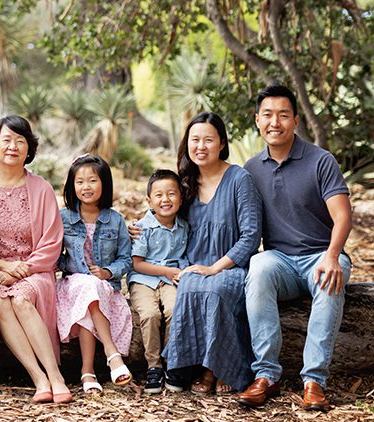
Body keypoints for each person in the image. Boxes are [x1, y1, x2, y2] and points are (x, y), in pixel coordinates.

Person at [239, 84, 352, 411]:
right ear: (257, 120)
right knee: (258, 268)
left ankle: (314, 381)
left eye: (283, 115)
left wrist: (332, 256)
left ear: (296, 120)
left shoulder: (320, 161)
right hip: (280, 262)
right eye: (268, 115)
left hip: (322, 254)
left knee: (330, 278)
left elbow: (343, 215)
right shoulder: (250, 169)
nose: (276, 123)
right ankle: (266, 376)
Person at [162, 112, 262, 395]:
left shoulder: (239, 179)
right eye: (195, 140)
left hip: (231, 267)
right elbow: (163, 216)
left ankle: (218, 369)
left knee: (215, 290)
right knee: (191, 286)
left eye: (208, 140)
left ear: (221, 143)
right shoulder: (185, 182)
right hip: (193, 267)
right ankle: (188, 367)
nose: (201, 146)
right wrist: (138, 227)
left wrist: (216, 267)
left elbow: (251, 235)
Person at [0, 115, 69, 404]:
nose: (12, 146)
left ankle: (56, 377)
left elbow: (52, 243)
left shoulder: (41, 189)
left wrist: (20, 271)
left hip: (35, 270)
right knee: (0, 300)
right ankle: (38, 379)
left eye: (20, 140)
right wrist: (3, 267)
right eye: (6, 140)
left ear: (29, 149)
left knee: (21, 299)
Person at [56, 155, 134, 393]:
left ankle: (87, 372)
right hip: (72, 285)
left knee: (92, 290)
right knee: (87, 286)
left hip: (105, 287)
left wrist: (107, 271)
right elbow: (54, 254)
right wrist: (63, 264)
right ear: (72, 185)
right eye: (80, 182)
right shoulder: (64, 217)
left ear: (104, 183)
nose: (86, 187)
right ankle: (113, 355)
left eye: (92, 180)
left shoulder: (115, 220)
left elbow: (126, 259)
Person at [128, 169, 188, 395]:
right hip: (144, 279)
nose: (166, 200)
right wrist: (168, 271)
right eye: (159, 195)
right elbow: (137, 264)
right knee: (150, 314)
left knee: (175, 310)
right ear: (149, 200)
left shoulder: (184, 227)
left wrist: (175, 274)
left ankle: (172, 362)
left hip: (170, 280)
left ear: (181, 198)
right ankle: (154, 365)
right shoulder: (143, 227)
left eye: (171, 194)